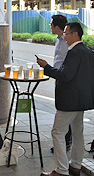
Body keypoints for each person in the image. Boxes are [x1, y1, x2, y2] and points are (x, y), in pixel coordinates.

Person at [37, 22, 94, 176]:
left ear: (75, 35)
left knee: (57, 132)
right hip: (82, 100)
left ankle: (61, 169)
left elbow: (65, 75)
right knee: (77, 132)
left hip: (70, 101)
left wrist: (46, 67)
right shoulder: (88, 51)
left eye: (67, 34)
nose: (65, 36)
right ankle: (75, 165)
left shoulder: (74, 52)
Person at [49, 15, 71, 153]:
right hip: (58, 76)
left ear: (57, 26)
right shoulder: (58, 40)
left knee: (66, 110)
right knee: (61, 107)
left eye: (51, 24)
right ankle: (67, 140)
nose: (50, 26)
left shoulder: (67, 41)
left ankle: (67, 141)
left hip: (65, 78)